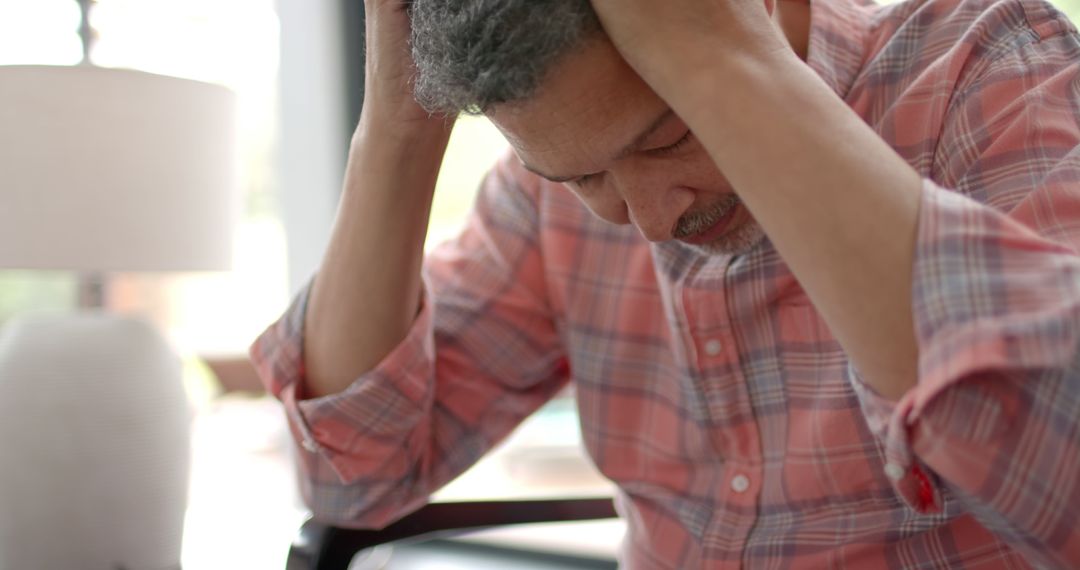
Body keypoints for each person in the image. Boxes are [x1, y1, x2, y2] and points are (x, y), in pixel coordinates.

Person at [251, 0, 1080, 566]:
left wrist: (720, 64)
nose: (648, 219)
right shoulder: (544, 201)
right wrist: (396, 127)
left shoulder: (977, 67)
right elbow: (350, 476)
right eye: (585, 178)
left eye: (670, 134)